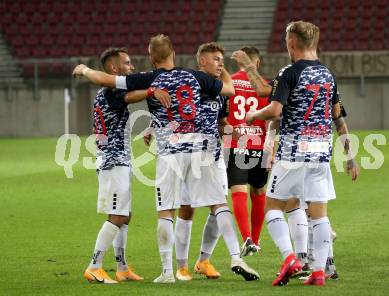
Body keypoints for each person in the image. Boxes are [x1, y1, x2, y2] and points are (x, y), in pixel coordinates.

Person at [73, 34, 259, 284]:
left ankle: (168, 272)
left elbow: (104, 79)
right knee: (218, 203)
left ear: (151, 58)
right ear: (173, 53)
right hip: (200, 147)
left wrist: (83, 69)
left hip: (170, 151)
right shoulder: (196, 76)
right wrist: (225, 71)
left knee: (166, 211)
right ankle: (236, 256)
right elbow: (229, 90)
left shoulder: (148, 78)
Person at [244, 21, 359, 286]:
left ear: (292, 43)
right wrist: (350, 155)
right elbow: (338, 117)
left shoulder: (290, 72)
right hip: (321, 152)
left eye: (286, 40)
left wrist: (253, 115)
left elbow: (274, 111)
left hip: (294, 151)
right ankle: (319, 271)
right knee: (319, 214)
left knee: (272, 207)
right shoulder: (328, 75)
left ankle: (290, 258)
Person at [81, 47, 166, 284]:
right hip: (113, 160)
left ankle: (122, 267)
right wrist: (151, 91)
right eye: (127, 63)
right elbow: (129, 97)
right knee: (117, 215)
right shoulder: (111, 90)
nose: (132, 67)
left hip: (118, 159)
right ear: (114, 69)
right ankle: (94, 266)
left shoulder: (106, 92)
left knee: (125, 215)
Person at [173, 42, 229, 281]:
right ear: (202, 61)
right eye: (216, 59)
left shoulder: (220, 92)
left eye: (222, 59)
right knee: (187, 209)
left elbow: (221, 121)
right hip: (190, 156)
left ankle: (204, 260)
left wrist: (229, 129)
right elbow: (175, 115)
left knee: (219, 206)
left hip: (214, 157)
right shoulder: (188, 88)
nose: (221, 63)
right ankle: (182, 266)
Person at [225, 46, 270, 256]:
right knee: (259, 191)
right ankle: (258, 239)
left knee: (238, 190)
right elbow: (273, 118)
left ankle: (247, 239)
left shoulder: (229, 83)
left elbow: (221, 115)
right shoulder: (265, 86)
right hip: (260, 143)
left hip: (236, 142)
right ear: (257, 63)